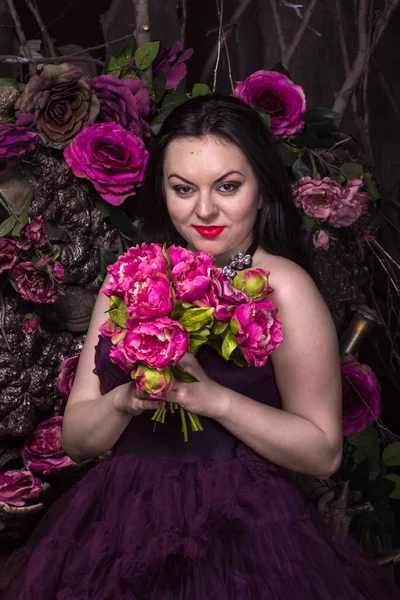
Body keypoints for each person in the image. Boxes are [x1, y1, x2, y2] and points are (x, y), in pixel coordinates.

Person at [1, 94, 399, 600]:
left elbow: (322, 454)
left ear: (263, 191)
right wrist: (124, 401)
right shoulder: (130, 278)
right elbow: (78, 440)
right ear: (163, 193)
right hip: (118, 527)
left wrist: (211, 398)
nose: (205, 210)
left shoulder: (286, 287)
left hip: (245, 533)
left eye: (228, 187)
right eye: (183, 189)